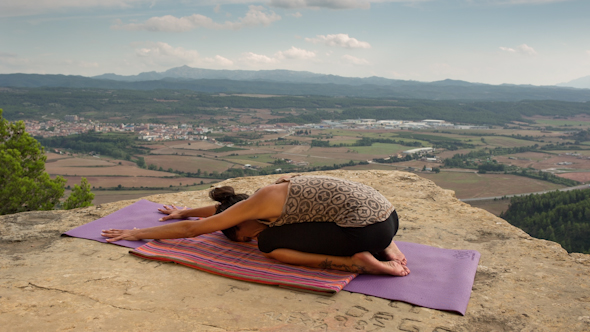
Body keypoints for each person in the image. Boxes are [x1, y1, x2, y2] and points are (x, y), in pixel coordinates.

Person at [101, 175, 410, 276]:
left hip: (365, 229)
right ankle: (384, 245)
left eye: (242, 238)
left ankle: (355, 261)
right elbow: (224, 209)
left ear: (239, 223)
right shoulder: (267, 196)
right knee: (323, 217)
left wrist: (137, 233)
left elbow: (194, 231)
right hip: (388, 216)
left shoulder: (255, 209)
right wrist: (184, 211)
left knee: (271, 245)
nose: (249, 240)